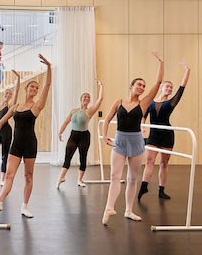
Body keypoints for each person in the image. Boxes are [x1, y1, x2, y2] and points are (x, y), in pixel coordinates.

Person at [101, 51, 163, 225]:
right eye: (139, 85)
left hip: (136, 142)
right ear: (131, 86)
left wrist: (161, 62)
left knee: (132, 178)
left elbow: (158, 83)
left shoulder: (143, 104)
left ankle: (128, 210)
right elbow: (106, 119)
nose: (142, 88)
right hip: (120, 141)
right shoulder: (119, 102)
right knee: (115, 176)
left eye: (144, 86)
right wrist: (105, 136)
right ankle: (109, 208)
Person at [0, 54, 51, 221]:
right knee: (9, 175)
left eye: (37, 88)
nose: (35, 89)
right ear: (26, 89)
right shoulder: (16, 106)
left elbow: (48, 85)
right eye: (32, 87)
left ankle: (24, 206)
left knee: (28, 176)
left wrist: (49, 68)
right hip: (16, 145)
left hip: (30, 144)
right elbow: (0, 122)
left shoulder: (37, 107)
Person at [138, 62, 191, 201]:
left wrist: (188, 71)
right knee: (149, 160)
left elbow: (182, 88)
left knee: (164, 163)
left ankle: (162, 190)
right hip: (154, 134)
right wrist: (142, 126)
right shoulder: (150, 102)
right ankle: (144, 185)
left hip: (167, 135)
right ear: (161, 88)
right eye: (167, 86)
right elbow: (143, 117)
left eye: (171, 88)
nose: (169, 88)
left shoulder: (171, 102)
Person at [56, 80, 103, 189]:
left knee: (83, 158)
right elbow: (66, 122)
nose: (87, 99)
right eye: (85, 97)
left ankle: (80, 179)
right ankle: (61, 177)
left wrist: (101, 86)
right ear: (81, 99)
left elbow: (100, 99)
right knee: (68, 157)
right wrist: (60, 132)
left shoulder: (90, 111)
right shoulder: (74, 110)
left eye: (88, 98)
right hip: (73, 136)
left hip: (84, 137)